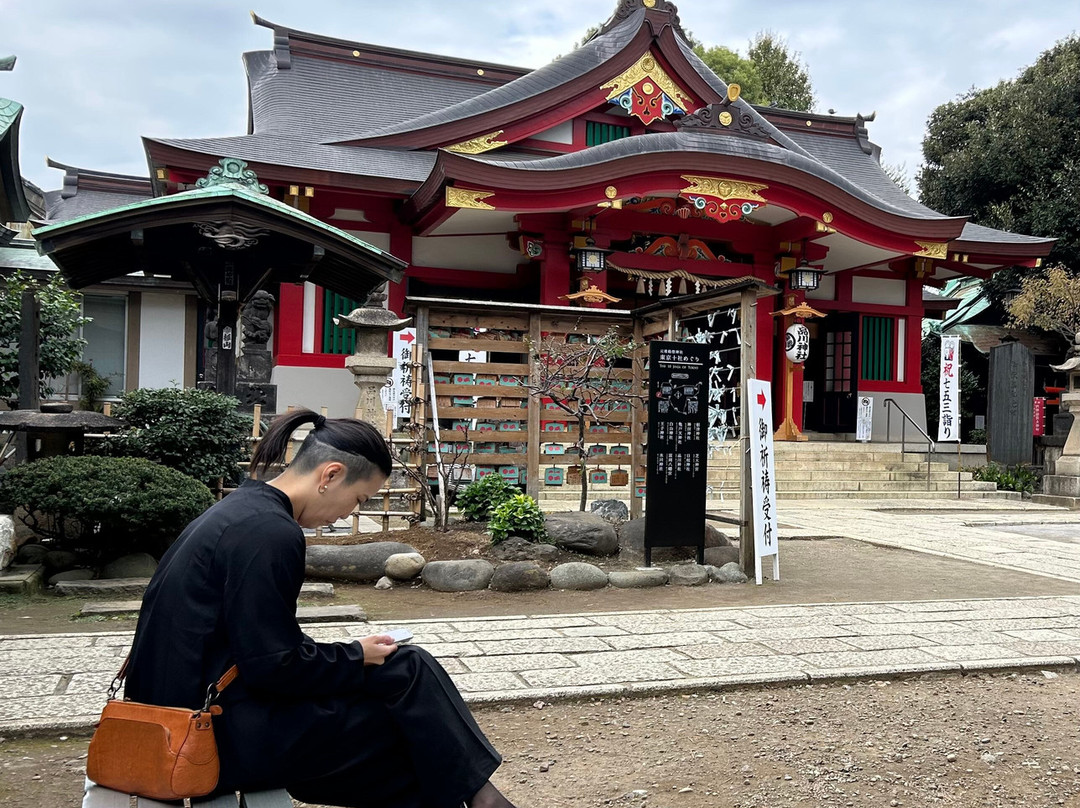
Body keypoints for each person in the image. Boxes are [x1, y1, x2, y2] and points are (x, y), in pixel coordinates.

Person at [123, 409, 518, 808]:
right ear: (330, 475)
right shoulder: (271, 533)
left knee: (407, 669)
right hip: (204, 738)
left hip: (187, 717)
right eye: (358, 499)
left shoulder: (242, 510)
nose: (349, 513)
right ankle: (485, 798)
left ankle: (484, 798)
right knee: (408, 733)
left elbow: (259, 646)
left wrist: (356, 655)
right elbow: (273, 667)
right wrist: (353, 656)